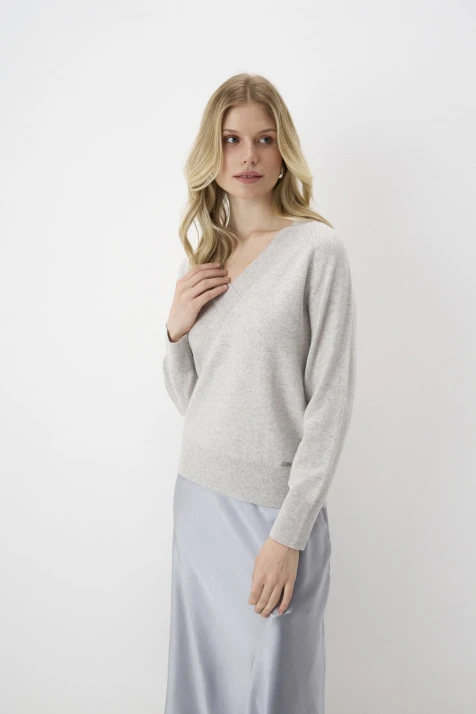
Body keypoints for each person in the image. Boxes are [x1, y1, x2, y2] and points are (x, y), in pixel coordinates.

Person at [162, 73, 356, 714]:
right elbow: (196, 402)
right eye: (232, 139)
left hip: (277, 512)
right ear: (211, 152)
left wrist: (289, 534)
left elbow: (330, 403)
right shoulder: (204, 261)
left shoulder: (317, 250)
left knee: (276, 689)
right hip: (200, 502)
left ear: (283, 151)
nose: (248, 155)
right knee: (205, 688)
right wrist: (174, 332)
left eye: (265, 139)